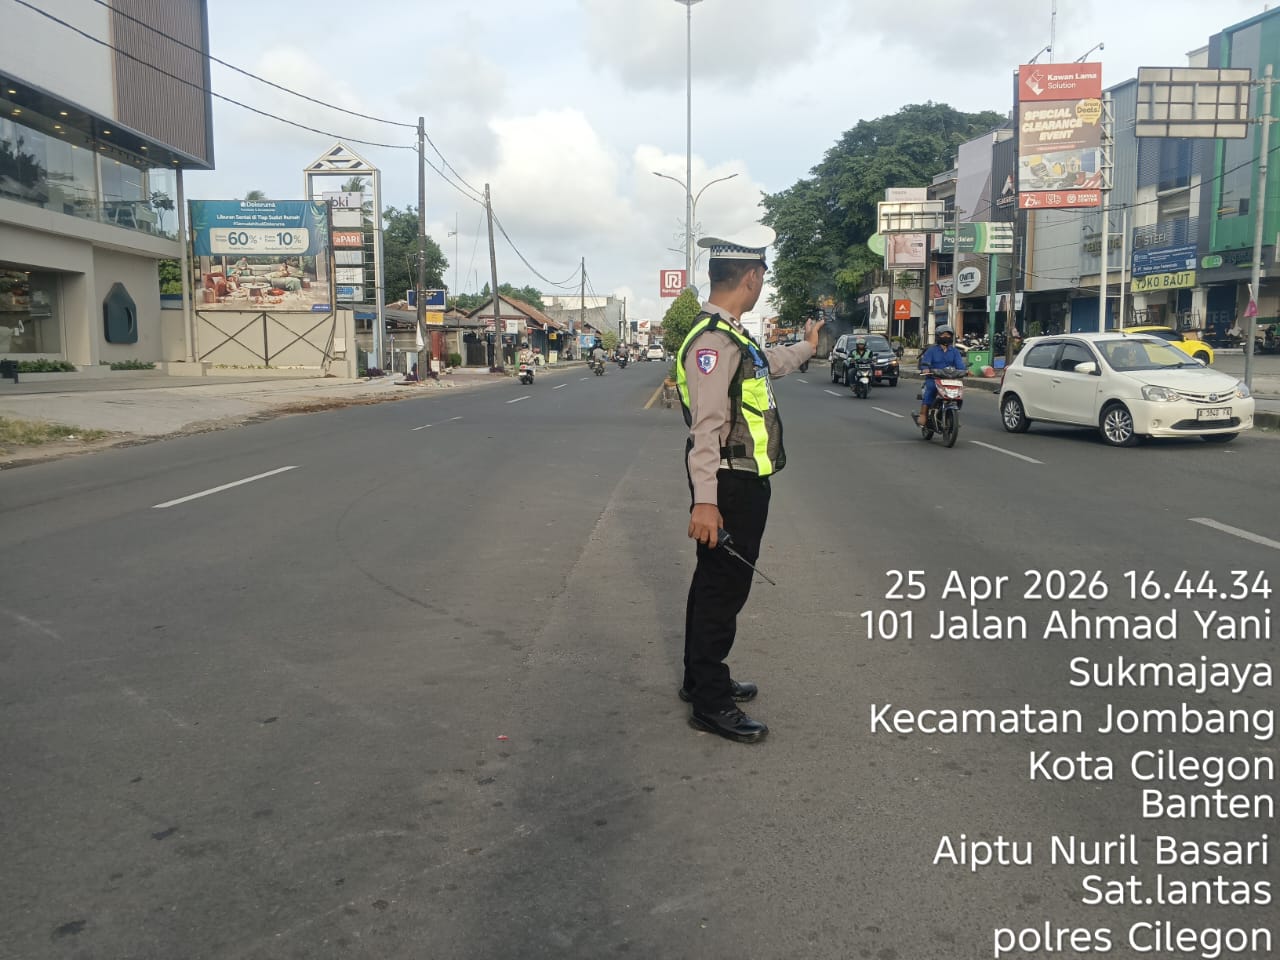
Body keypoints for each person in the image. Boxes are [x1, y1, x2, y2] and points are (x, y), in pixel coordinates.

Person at [675, 225, 823, 744]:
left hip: (739, 481)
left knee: (711, 585)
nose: (763, 283)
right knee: (723, 592)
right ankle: (711, 703)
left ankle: (700, 679)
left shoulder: (733, 336)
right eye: (763, 274)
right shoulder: (713, 343)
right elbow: (706, 430)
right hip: (729, 484)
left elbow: (769, 365)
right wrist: (706, 503)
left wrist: (806, 347)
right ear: (752, 277)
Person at [916, 324, 968, 427]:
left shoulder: (955, 351)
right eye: (943, 335)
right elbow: (925, 363)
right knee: (931, 389)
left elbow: (960, 366)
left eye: (948, 335)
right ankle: (923, 414)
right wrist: (925, 369)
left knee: (958, 391)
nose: (946, 337)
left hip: (950, 379)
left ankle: (954, 415)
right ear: (938, 336)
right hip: (934, 378)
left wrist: (965, 371)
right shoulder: (931, 350)